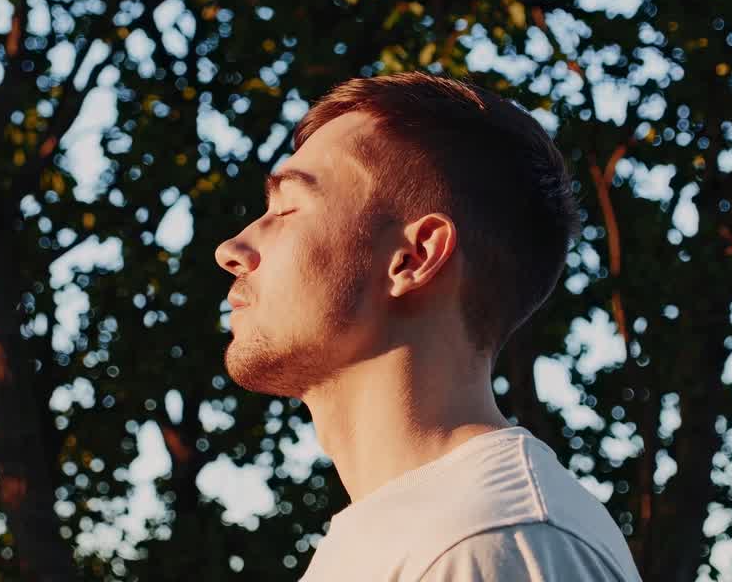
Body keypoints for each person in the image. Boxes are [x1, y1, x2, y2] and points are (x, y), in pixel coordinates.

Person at [214, 72, 642, 582]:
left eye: (286, 209)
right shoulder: (413, 536)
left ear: (413, 258)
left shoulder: (490, 543)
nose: (232, 250)